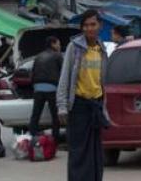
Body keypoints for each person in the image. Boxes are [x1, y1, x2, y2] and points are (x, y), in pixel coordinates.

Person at [57, 10, 110, 181]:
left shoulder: (101, 50)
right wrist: (62, 107)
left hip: (96, 107)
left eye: (93, 24)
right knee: (79, 154)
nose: (89, 29)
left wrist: (105, 108)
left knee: (95, 154)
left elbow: (103, 82)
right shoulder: (75, 47)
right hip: (78, 107)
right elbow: (65, 77)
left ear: (99, 26)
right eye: (85, 25)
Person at [29, 36, 63, 140]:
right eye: (58, 43)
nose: (59, 46)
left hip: (38, 88)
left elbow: (32, 73)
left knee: (35, 115)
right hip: (52, 88)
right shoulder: (58, 56)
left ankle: (33, 137)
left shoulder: (38, 56)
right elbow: (63, 73)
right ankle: (55, 139)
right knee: (55, 116)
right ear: (53, 44)